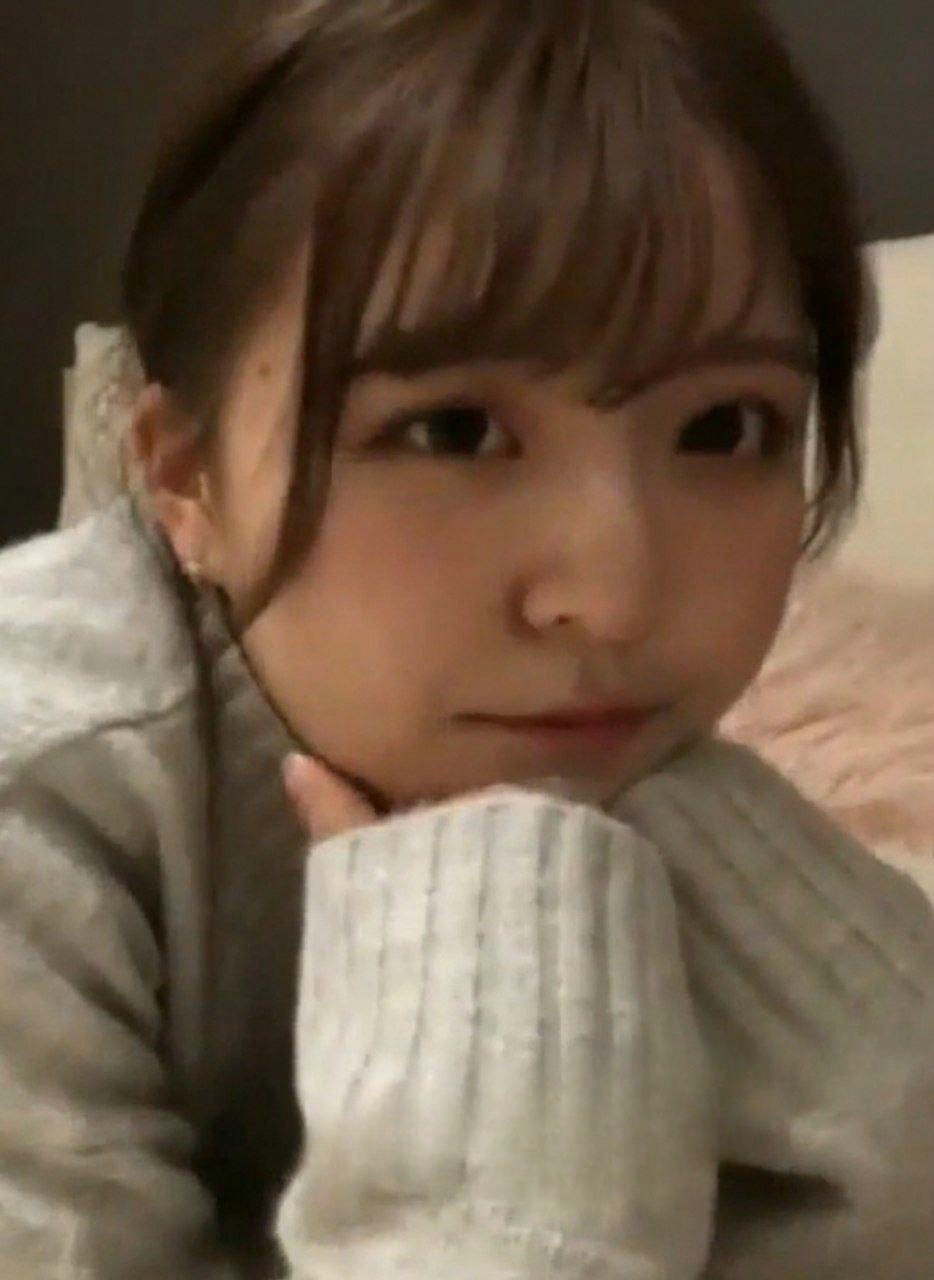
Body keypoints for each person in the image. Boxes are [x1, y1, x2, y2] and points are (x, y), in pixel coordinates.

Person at [1, 0, 932, 1276]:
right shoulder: (40, 794)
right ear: (184, 479)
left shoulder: (644, 785)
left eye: (724, 427)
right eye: (451, 431)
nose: (612, 598)